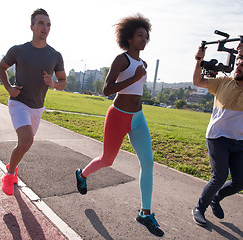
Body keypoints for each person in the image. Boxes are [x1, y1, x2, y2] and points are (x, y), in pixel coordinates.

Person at [75, 14, 164, 237]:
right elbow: (106, 89)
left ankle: (145, 213)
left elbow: (138, 89)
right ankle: (82, 174)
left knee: (148, 163)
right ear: (129, 37)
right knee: (107, 159)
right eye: (140, 35)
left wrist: (138, 77)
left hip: (138, 118)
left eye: (146, 36)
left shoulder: (143, 64)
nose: (144, 39)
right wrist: (134, 78)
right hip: (118, 116)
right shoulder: (122, 60)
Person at [191, 43, 243, 226]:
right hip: (217, 137)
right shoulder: (222, 81)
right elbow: (197, 81)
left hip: (238, 140)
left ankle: (215, 198)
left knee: (242, 181)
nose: (238, 66)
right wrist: (199, 61)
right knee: (219, 176)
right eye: (237, 63)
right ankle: (199, 208)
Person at [0, 8, 67, 196]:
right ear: (32, 27)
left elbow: (63, 83)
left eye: (48, 24)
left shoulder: (55, 55)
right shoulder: (18, 50)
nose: (45, 28)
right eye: (41, 23)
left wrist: (53, 83)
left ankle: (12, 165)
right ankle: (9, 175)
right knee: (26, 140)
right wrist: (9, 87)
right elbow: (1, 68)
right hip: (18, 102)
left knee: (26, 144)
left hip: (38, 107)